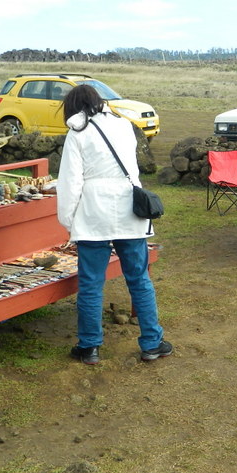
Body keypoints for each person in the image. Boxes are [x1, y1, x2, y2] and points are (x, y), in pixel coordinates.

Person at [57, 84, 171, 365]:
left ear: (73, 107)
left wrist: (69, 221)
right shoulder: (123, 126)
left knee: (91, 284)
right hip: (128, 209)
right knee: (139, 279)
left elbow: (71, 182)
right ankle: (152, 343)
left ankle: (89, 346)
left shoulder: (77, 133)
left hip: (93, 212)